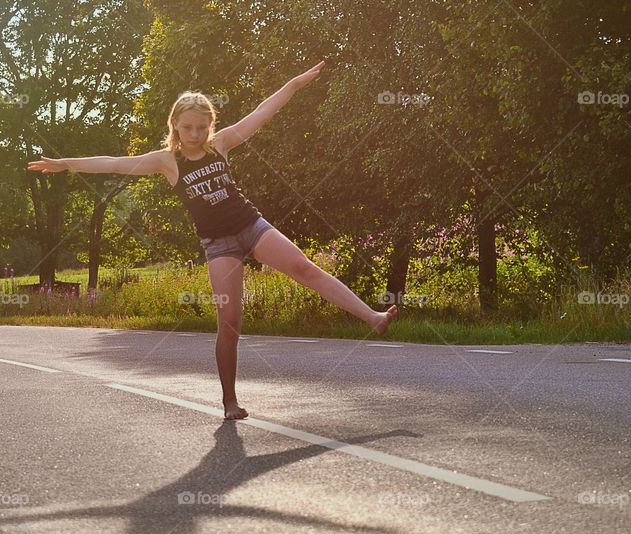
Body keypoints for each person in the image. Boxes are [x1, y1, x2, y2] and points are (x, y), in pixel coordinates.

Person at [28, 60, 398, 420]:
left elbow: (263, 112)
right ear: (175, 125)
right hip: (219, 245)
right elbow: (112, 163)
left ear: (210, 126)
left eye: (201, 127)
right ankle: (229, 400)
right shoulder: (166, 161)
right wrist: (65, 164)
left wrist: (295, 84)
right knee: (230, 319)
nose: (195, 134)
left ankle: (373, 317)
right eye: (188, 127)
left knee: (304, 267)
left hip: (252, 225)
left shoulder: (221, 144)